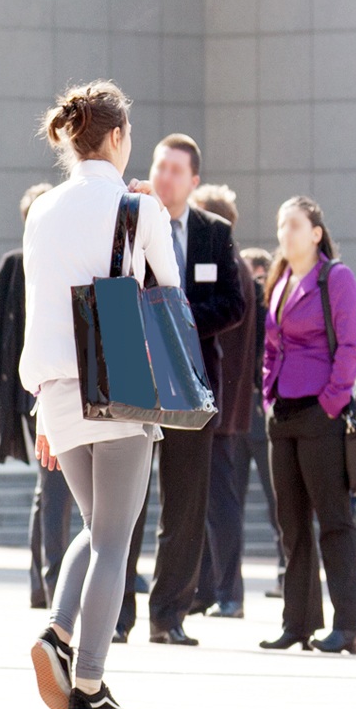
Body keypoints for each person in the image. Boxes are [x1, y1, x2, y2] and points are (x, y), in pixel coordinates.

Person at [19, 81, 173, 709]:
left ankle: (57, 631)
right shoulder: (138, 210)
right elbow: (167, 285)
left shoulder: (42, 210)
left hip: (54, 390)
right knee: (115, 540)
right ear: (113, 137)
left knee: (94, 526)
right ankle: (87, 683)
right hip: (118, 385)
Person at [128, 135, 244, 646]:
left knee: (185, 504)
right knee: (128, 499)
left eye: (176, 170)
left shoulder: (214, 233)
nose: (166, 176)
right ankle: (116, 617)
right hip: (136, 378)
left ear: (194, 180)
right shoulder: (128, 221)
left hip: (192, 381)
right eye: (160, 166)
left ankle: (168, 615)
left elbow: (234, 303)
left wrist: (181, 321)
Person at [259, 195, 356, 655]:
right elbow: (270, 346)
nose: (285, 232)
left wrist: (330, 402)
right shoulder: (279, 280)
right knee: (292, 524)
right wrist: (266, 393)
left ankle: (348, 625)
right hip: (282, 413)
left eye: (295, 225)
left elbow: (351, 347)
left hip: (320, 413)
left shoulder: (335, 278)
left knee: (334, 521)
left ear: (316, 233)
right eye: (281, 225)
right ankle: (297, 622)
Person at [0, 181, 74, 608]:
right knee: (52, 483)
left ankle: (44, 584)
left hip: (58, 383)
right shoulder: (15, 264)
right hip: (29, 391)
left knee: (49, 486)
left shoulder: (66, 260)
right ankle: (49, 585)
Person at [189, 182, 256, 616]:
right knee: (211, 501)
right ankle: (211, 590)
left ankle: (229, 592)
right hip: (224, 402)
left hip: (219, 402)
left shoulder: (229, 266)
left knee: (220, 502)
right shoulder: (239, 268)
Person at [239, 246, 283, 595]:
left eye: (255, 278)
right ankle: (227, 587)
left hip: (264, 413)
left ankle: (286, 575)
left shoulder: (274, 309)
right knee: (230, 502)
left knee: (278, 501)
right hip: (239, 413)